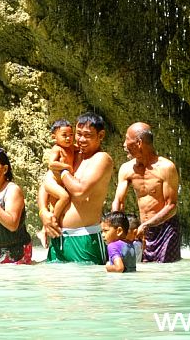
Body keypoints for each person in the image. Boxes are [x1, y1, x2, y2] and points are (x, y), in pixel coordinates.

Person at [41, 111, 115, 264]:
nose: (81, 140)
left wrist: (62, 170)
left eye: (87, 135)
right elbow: (45, 185)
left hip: (85, 238)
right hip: (58, 237)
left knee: (84, 287)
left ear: (101, 136)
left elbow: (80, 191)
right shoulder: (72, 156)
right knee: (53, 287)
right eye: (78, 134)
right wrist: (43, 212)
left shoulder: (101, 159)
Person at [112, 122, 181, 262]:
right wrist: (117, 226)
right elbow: (118, 201)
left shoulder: (166, 167)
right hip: (141, 231)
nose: (124, 145)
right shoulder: (127, 169)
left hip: (166, 229)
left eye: (127, 139)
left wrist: (147, 225)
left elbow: (171, 206)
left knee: (165, 272)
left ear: (139, 143)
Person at [36, 119, 78, 248]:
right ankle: (51, 221)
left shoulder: (72, 147)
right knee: (64, 197)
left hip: (60, 183)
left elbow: (81, 150)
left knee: (56, 206)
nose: (68, 138)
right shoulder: (57, 148)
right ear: (54, 137)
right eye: (64, 135)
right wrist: (66, 166)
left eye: (71, 135)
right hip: (52, 181)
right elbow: (52, 164)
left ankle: (43, 231)